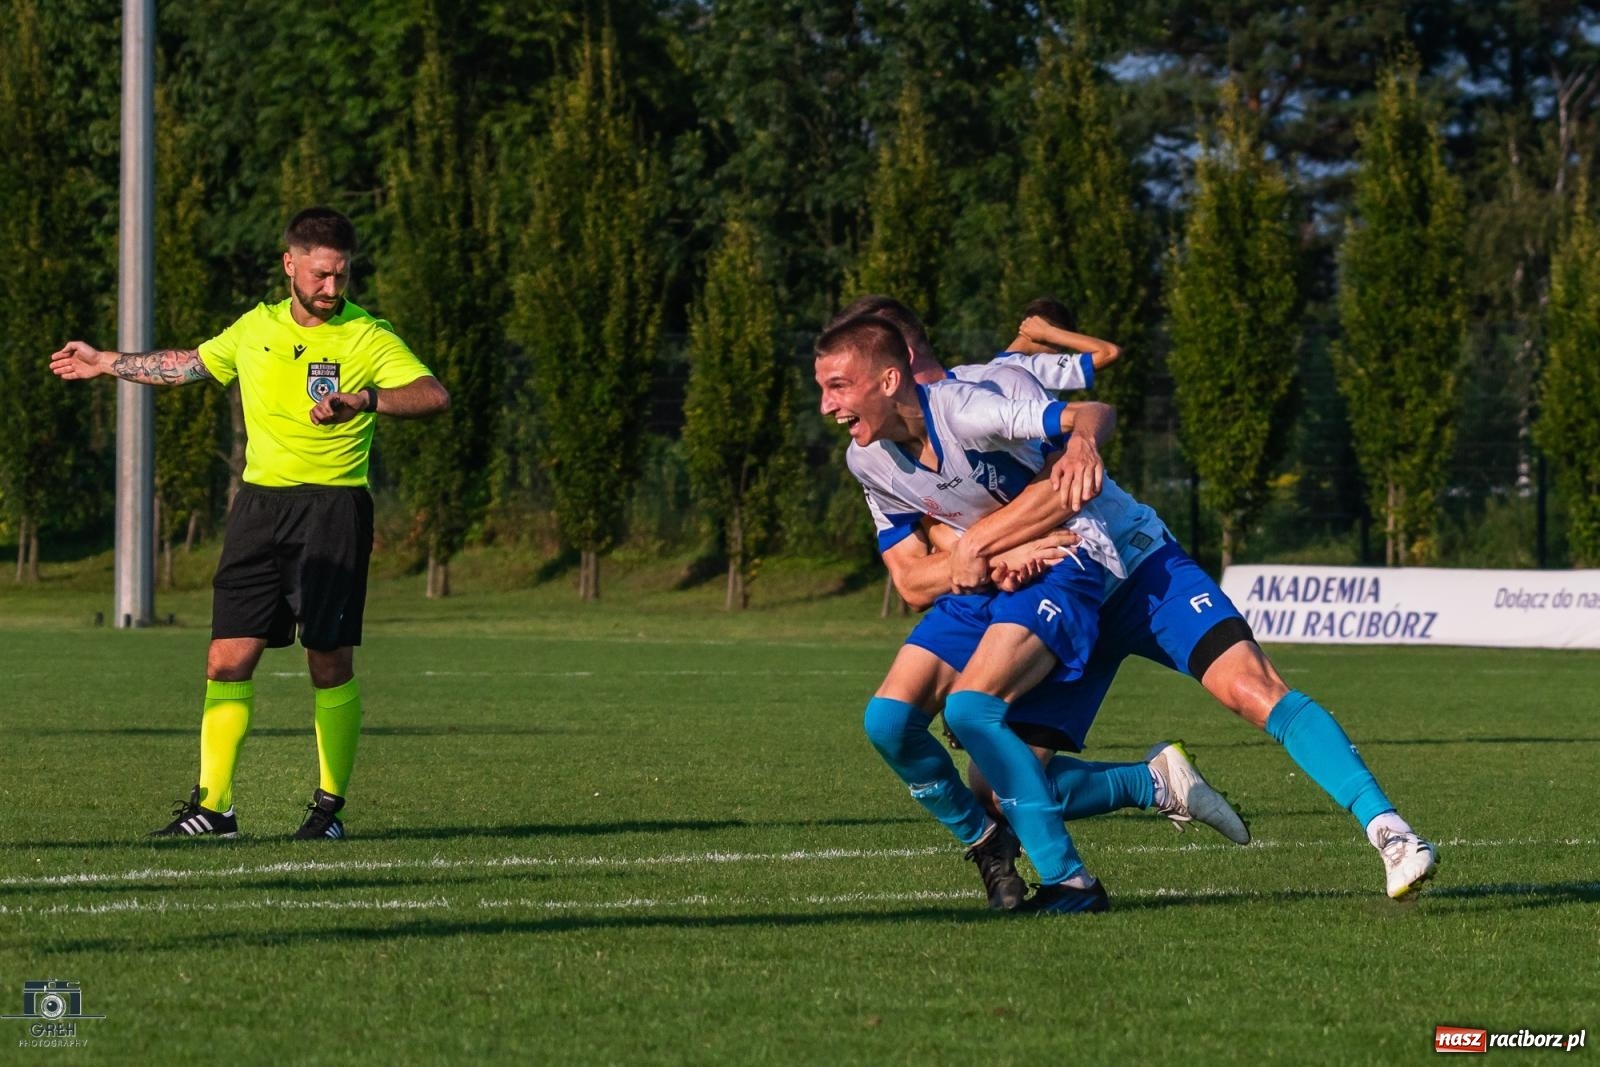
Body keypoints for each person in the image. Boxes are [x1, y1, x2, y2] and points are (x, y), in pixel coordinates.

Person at [855, 294, 1438, 900]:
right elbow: (931, 564)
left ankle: (1392, 832)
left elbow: (1085, 425)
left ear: (896, 361)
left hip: (1135, 566)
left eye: (853, 377)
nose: (841, 400)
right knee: (995, 790)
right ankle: (1152, 784)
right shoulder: (889, 450)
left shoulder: (990, 387)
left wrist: (1082, 443)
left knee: (1252, 689)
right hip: (1058, 594)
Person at [817, 314, 1247, 914]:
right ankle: (990, 843)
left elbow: (1091, 404)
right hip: (986, 582)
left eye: (837, 386)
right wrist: (983, 553)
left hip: (1062, 565)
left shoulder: (972, 401)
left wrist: (1079, 446)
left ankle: (1071, 881)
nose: (825, 405)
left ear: (891, 375)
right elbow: (913, 579)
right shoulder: (867, 461)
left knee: (973, 711)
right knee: (888, 725)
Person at [49, 206, 450, 841]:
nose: (331, 289)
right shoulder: (254, 328)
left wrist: (365, 399)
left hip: (335, 509)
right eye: (320, 275)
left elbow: (433, 395)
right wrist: (106, 362)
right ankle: (214, 809)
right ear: (290, 265)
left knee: (328, 661)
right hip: (259, 510)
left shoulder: (369, 336)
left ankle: (327, 813)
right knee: (226, 659)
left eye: (341, 277)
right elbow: (187, 365)